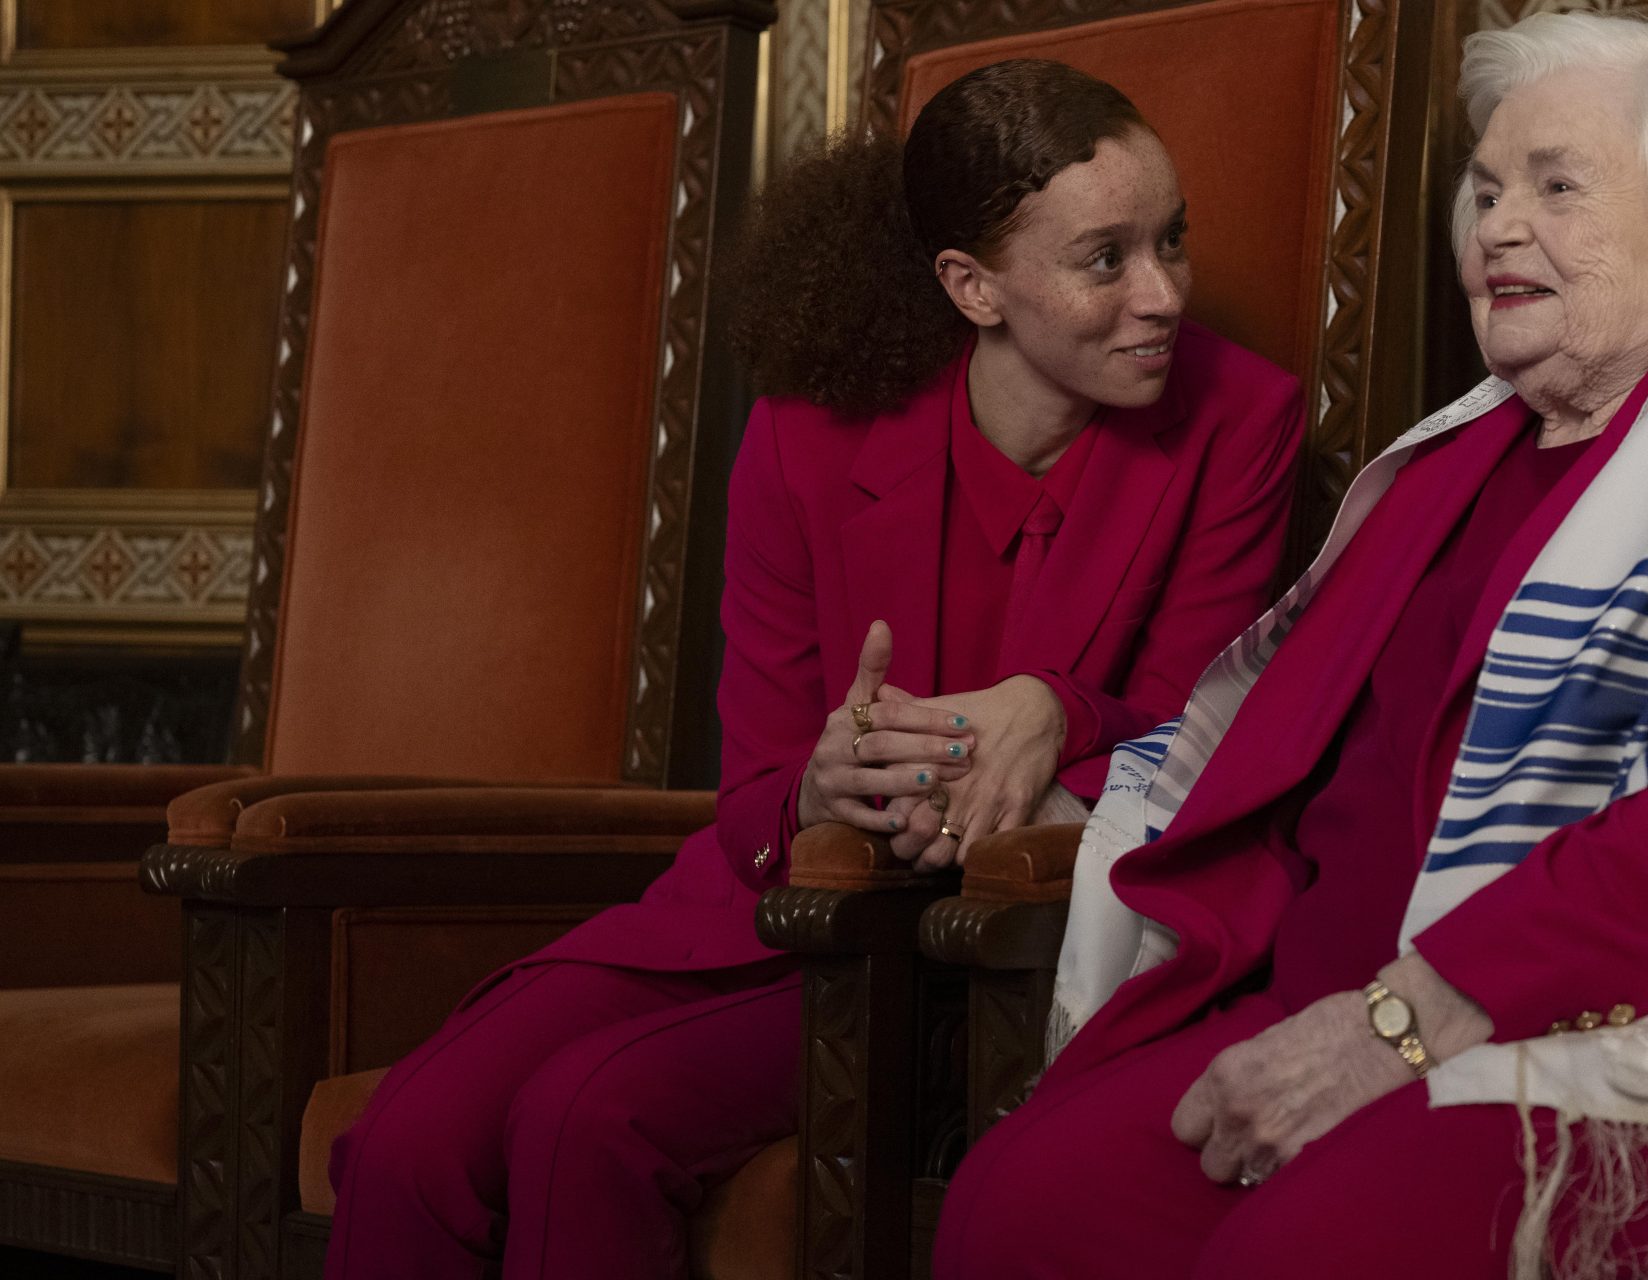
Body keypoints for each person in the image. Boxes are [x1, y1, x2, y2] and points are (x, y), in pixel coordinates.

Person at [936, 16, 1648, 1279]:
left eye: (1557, 186)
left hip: (1641, 1044)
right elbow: (1274, 760)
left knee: (1308, 1253)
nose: (1496, 225)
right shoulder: (1455, 459)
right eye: (1488, 187)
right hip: (1329, 1000)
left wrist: (1403, 1018)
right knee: (1021, 1205)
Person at [324, 59, 1305, 1279]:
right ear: (971, 285)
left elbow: (1201, 731)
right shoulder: (803, 437)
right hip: (765, 906)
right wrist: (821, 783)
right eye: (1106, 258)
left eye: (1173, 240)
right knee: (411, 1138)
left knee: (584, 1115)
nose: (1162, 293)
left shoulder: (1241, 419)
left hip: (987, 957)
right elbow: (753, 788)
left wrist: (1056, 711)